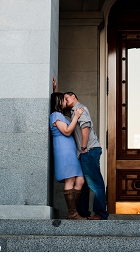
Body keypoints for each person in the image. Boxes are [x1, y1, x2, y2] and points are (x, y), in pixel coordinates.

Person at [54, 77, 109, 220]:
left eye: (66, 98)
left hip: (89, 150)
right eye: (63, 100)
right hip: (85, 152)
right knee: (83, 184)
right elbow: (58, 107)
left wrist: (83, 147)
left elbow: (85, 128)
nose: (65, 101)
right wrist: (55, 92)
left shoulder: (80, 108)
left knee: (95, 183)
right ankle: (83, 213)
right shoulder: (72, 113)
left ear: (74, 97)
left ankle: (101, 214)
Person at [50, 92, 86, 220]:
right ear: (59, 101)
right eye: (63, 99)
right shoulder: (55, 115)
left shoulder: (60, 115)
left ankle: (73, 212)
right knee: (70, 179)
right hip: (63, 150)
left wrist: (55, 88)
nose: (66, 100)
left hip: (70, 150)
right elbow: (66, 131)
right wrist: (76, 116)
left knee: (80, 180)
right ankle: (72, 213)